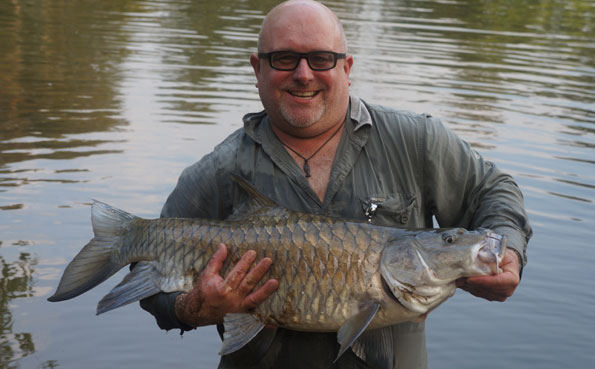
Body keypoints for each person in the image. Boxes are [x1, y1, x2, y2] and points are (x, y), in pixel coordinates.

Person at [139, 1, 532, 368]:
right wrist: (192, 307)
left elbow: (493, 189)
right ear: (257, 68)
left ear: (346, 67)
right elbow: (151, 282)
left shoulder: (417, 142)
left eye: (321, 58)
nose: (303, 74)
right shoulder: (217, 172)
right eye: (285, 59)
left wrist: (507, 245)